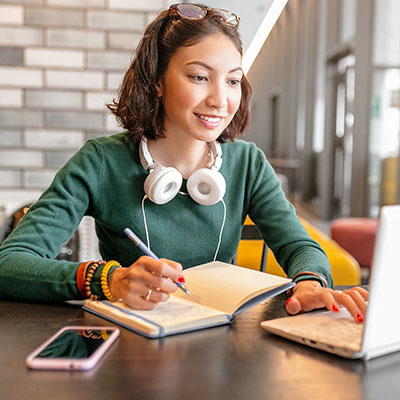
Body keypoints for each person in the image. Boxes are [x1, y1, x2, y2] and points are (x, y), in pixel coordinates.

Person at [0, 3, 367, 322]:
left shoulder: (248, 163)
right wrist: (108, 280)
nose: (220, 100)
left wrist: (309, 283)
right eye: (199, 77)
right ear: (158, 81)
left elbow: (300, 246)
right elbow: (9, 264)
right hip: (131, 349)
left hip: (220, 348)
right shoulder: (101, 162)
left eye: (233, 81)